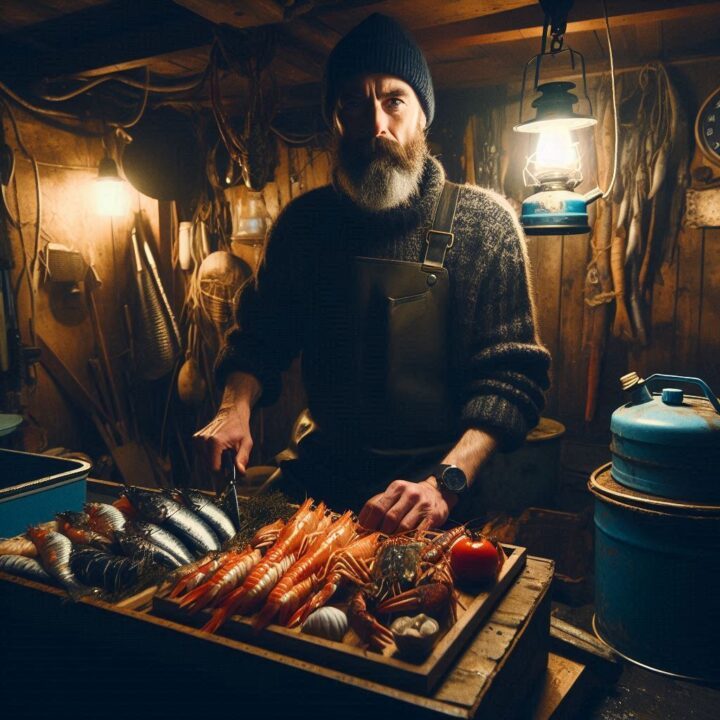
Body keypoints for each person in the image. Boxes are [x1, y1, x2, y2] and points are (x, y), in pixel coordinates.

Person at [194, 13, 551, 533]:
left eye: (394, 100)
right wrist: (234, 405)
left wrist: (445, 483)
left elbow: (511, 379)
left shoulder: (484, 227)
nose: (376, 123)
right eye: (354, 103)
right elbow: (259, 339)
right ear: (336, 120)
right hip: (318, 484)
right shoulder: (304, 226)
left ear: (422, 114)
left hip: (435, 497)